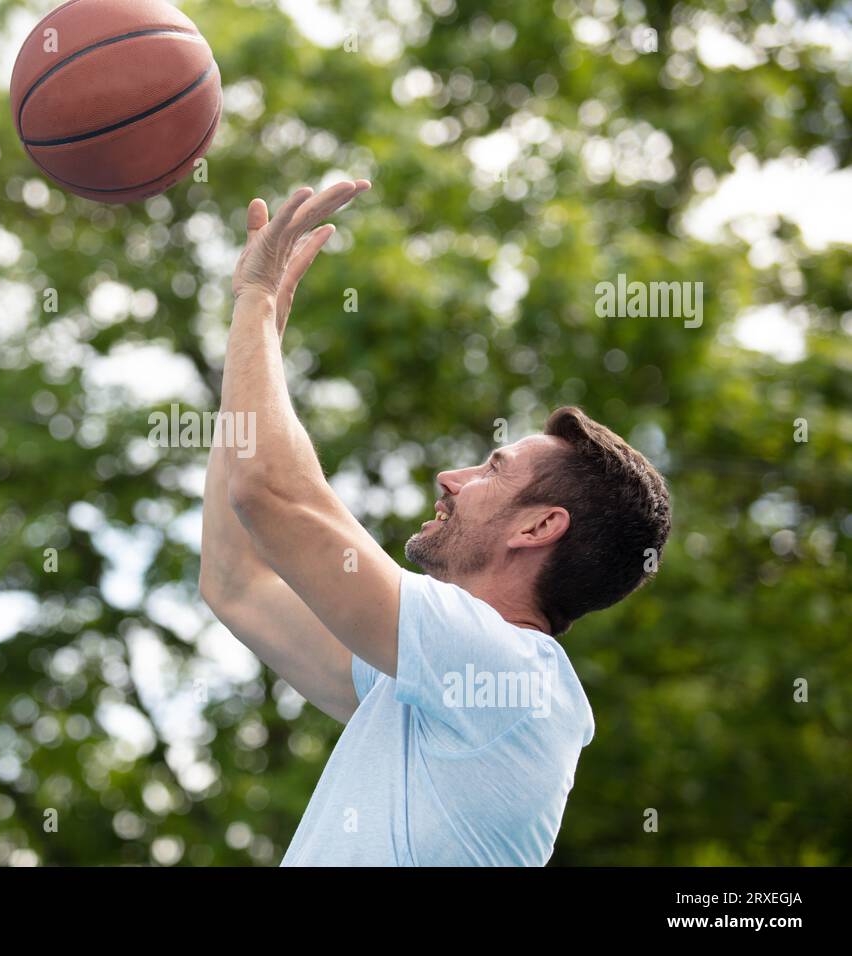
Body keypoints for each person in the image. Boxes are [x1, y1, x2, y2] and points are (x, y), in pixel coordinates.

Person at [200, 181, 672, 866]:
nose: (452, 479)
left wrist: (254, 298)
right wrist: (260, 336)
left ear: (538, 528)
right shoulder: (427, 686)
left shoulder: (510, 676)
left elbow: (271, 489)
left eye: (492, 468)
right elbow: (235, 582)